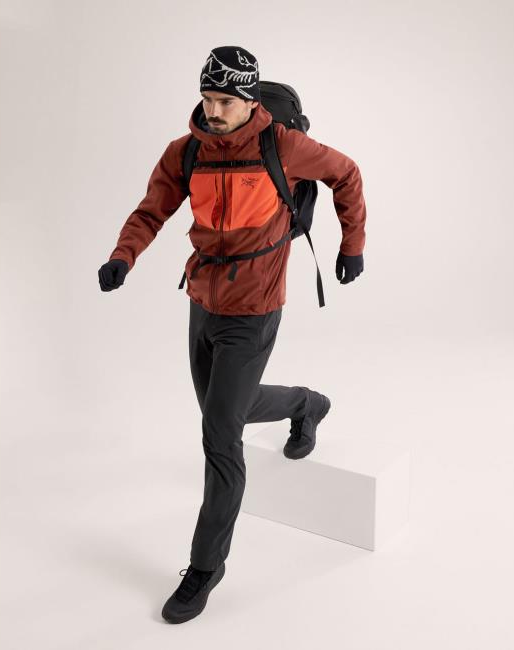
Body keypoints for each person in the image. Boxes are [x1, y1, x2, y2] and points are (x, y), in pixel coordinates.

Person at [98, 45, 367, 624]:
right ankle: (307, 404)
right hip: (202, 300)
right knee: (224, 411)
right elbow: (151, 211)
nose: (213, 111)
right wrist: (124, 256)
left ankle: (205, 566)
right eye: (206, 99)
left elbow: (346, 173)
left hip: (255, 307)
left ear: (249, 100)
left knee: (220, 436)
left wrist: (353, 245)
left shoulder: (283, 147)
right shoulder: (186, 151)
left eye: (225, 101)